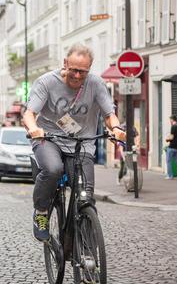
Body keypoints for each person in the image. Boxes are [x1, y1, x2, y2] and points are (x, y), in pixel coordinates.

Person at [23, 43, 126, 242]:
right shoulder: (47, 82)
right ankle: (41, 212)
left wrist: (116, 128)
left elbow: (109, 114)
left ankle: (87, 250)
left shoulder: (96, 84)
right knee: (53, 169)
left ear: (90, 69)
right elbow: (29, 113)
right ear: (65, 64)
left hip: (82, 142)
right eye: (74, 70)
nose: (78, 76)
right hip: (48, 138)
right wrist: (34, 129)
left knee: (85, 195)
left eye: (83, 72)